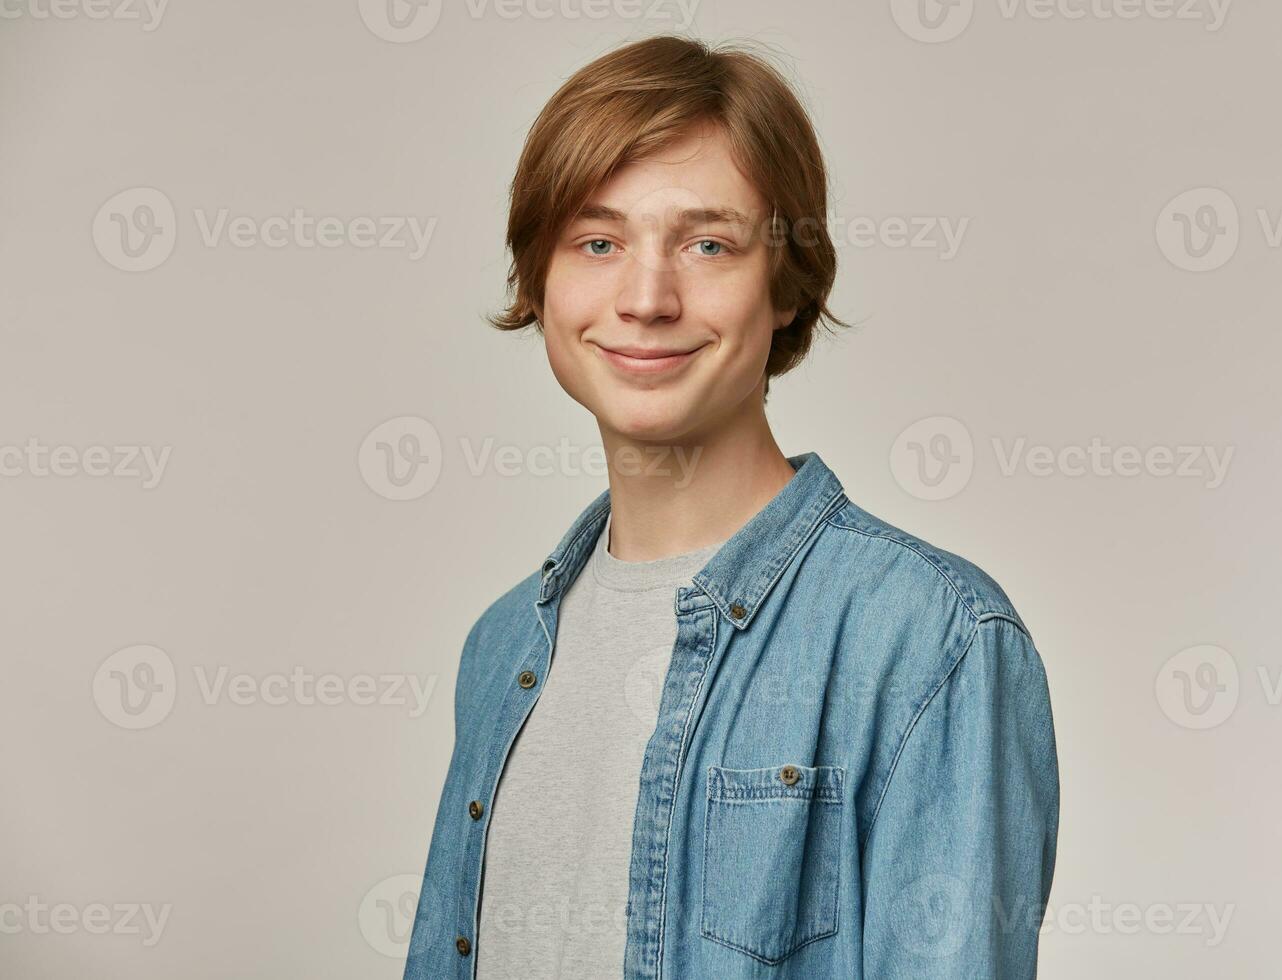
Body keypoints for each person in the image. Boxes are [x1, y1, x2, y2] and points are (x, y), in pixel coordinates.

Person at [404, 34, 1059, 980]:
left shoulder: (930, 641)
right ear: (539, 282)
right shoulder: (502, 647)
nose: (646, 297)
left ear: (786, 286)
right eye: (598, 242)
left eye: (708, 244)